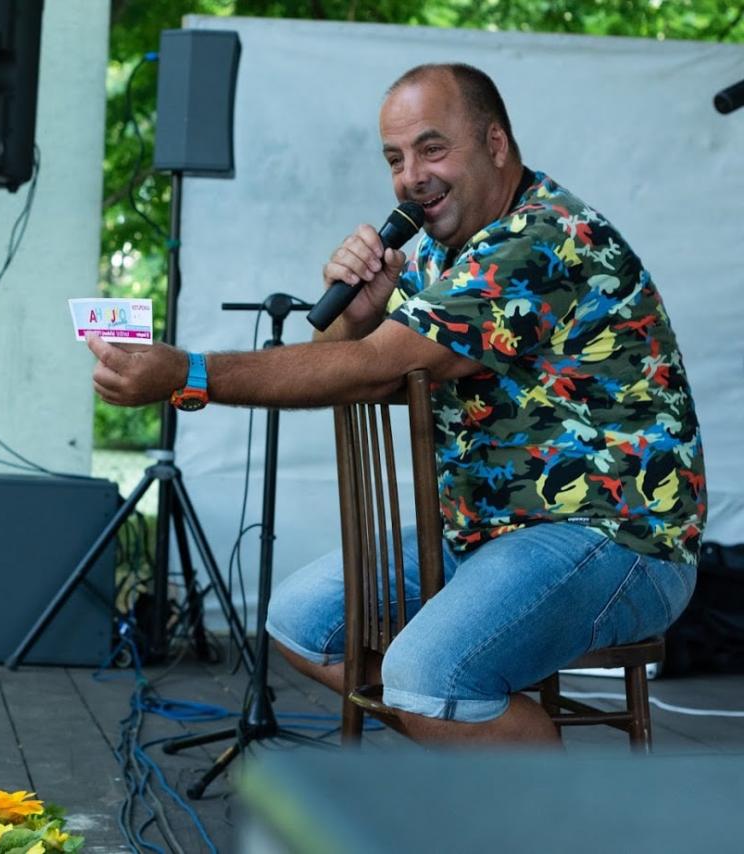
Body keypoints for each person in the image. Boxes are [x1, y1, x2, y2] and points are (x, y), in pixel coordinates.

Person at [89, 63, 706, 745]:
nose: (411, 176)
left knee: (430, 675)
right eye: (395, 158)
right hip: (484, 536)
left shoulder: (542, 239)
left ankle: (537, 795)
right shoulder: (444, 255)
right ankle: (479, 751)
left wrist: (190, 374)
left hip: (615, 537)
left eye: (432, 149)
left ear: (495, 143)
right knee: (302, 623)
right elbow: (347, 361)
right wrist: (354, 316)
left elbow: (373, 371)